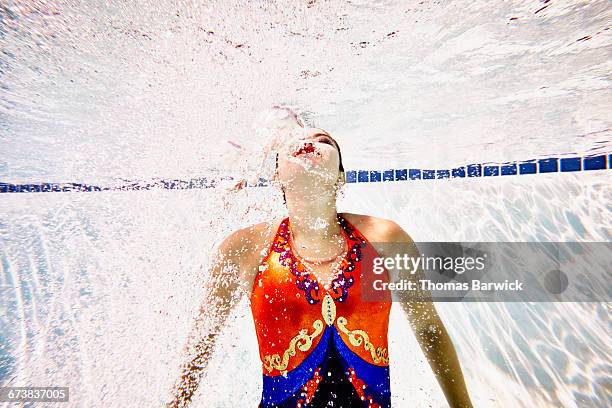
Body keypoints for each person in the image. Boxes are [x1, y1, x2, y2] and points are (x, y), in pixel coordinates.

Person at [166, 106, 473, 407]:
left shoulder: (383, 239)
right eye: (292, 143)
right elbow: (201, 343)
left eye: (325, 141)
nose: (308, 142)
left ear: (341, 177)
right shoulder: (245, 248)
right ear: (276, 176)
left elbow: (428, 329)